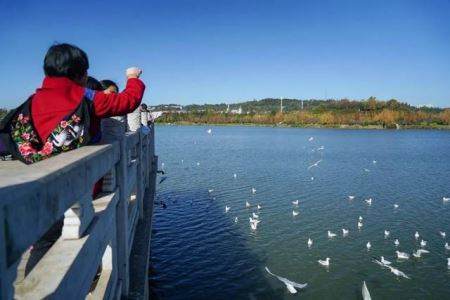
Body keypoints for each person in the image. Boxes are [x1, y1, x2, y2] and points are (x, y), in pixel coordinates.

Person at [31, 43, 145, 147]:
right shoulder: (86, 96)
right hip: (80, 165)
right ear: (78, 74)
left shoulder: (32, 101)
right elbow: (128, 101)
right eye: (86, 71)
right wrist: (132, 77)